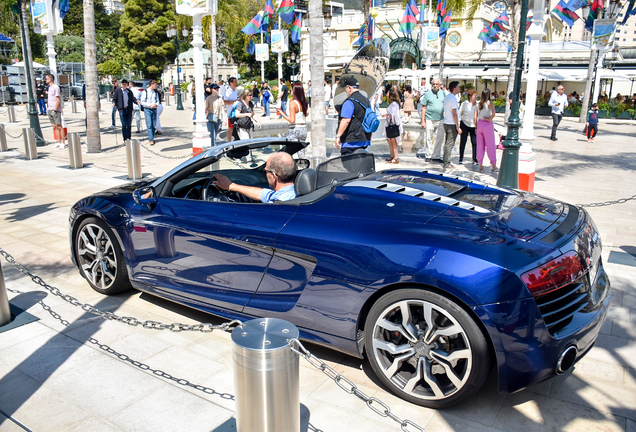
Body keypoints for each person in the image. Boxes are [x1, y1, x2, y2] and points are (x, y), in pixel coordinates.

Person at [212, 152, 298, 203]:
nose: (265, 174)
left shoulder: (276, 205)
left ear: (274, 176)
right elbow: (264, 194)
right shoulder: (296, 192)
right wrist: (231, 186)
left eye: (266, 171)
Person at [334, 77, 373, 155]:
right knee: (362, 165)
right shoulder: (366, 100)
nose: (345, 90)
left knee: (349, 166)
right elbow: (369, 119)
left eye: (345, 88)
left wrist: (338, 136)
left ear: (349, 88)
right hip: (364, 140)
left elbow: (346, 120)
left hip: (351, 142)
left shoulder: (349, 102)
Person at [418, 78, 446, 162]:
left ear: (439, 85)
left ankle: (436, 156)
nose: (435, 86)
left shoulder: (443, 93)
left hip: (440, 119)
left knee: (439, 138)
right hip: (429, 118)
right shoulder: (428, 94)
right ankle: (428, 155)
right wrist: (423, 121)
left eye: (436, 84)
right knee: (428, 137)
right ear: (431, 85)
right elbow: (424, 107)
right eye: (433, 84)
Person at [280, 84, 309, 156]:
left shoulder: (293, 104)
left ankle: (289, 166)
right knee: (301, 151)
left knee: (287, 152)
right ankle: (303, 165)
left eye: (291, 90)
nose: (290, 91)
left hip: (295, 129)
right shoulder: (304, 102)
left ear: (294, 91)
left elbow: (292, 120)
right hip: (303, 129)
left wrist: (282, 114)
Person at [474, 89, 497, 174]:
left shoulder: (478, 104)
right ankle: (493, 166)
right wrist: (490, 119)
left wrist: (476, 127)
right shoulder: (490, 103)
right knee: (490, 145)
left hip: (479, 124)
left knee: (480, 145)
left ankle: (480, 166)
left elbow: (475, 117)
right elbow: (494, 113)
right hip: (487, 124)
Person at [442, 81, 462, 170]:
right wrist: (457, 126)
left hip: (447, 122)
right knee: (449, 143)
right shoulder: (453, 98)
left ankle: (446, 160)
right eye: (458, 87)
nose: (459, 88)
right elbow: (454, 113)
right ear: (454, 88)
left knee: (447, 143)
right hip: (451, 123)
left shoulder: (447, 97)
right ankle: (446, 162)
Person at [458, 89, 478, 165]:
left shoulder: (478, 104)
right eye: (474, 96)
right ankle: (461, 158)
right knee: (463, 141)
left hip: (474, 125)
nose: (476, 97)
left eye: (477, 96)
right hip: (464, 124)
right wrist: (458, 125)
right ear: (470, 96)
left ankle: (474, 158)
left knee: (474, 142)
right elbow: (459, 113)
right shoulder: (464, 104)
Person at [45, 73, 65, 147]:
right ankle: (58, 141)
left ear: (50, 79)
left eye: (46, 79)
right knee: (54, 126)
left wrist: (55, 109)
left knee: (59, 125)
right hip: (49, 108)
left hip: (55, 109)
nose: (45, 80)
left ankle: (63, 142)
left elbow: (58, 99)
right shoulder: (49, 88)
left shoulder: (55, 87)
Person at [384, 88, 402, 164]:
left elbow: (395, 115)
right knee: (390, 140)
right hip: (390, 123)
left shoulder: (394, 104)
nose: (387, 95)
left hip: (392, 124)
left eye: (388, 93)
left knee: (393, 141)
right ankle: (392, 155)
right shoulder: (393, 104)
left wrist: (389, 117)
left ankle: (396, 157)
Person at [140, 80, 160, 145]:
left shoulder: (155, 92)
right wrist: (149, 105)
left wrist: (156, 104)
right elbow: (142, 102)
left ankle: (152, 137)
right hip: (147, 109)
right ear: (152, 85)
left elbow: (157, 101)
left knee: (154, 125)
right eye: (155, 84)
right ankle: (151, 139)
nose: (156, 86)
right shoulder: (145, 92)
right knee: (149, 125)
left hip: (154, 109)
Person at [223, 77, 239, 142]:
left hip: (237, 112)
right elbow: (225, 102)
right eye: (235, 82)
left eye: (236, 82)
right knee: (230, 128)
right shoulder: (227, 92)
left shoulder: (237, 91)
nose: (236, 83)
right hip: (231, 113)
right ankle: (229, 142)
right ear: (231, 83)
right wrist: (234, 101)